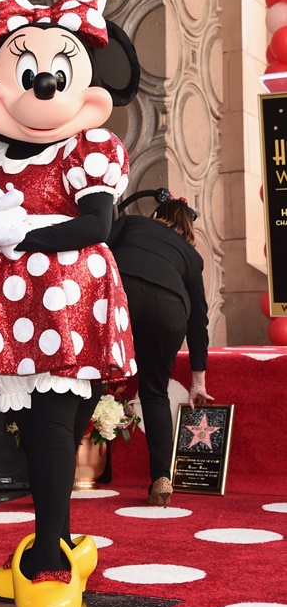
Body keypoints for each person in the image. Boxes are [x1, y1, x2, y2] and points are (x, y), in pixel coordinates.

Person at [0, 0, 140, 607]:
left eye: (57, 73)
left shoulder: (90, 148)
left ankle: (51, 554)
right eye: (27, 72)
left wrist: (19, 232)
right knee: (41, 428)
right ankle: (58, 540)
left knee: (57, 425)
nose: (43, 85)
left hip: (70, 301)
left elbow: (98, 223)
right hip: (8, 305)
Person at [107, 197, 213, 507]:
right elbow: (198, 321)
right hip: (169, 309)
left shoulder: (132, 222)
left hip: (123, 291)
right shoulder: (192, 257)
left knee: (93, 377)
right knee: (154, 392)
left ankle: (63, 469)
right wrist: (198, 382)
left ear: (155, 214)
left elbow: (97, 252)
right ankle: (161, 480)